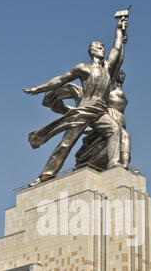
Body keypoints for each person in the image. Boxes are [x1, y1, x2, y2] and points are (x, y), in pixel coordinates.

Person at [23, 16, 128, 186]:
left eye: (102, 47)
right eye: (98, 47)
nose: (102, 49)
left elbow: (117, 48)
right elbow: (60, 80)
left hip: (100, 111)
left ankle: (114, 164)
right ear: (91, 51)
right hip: (84, 110)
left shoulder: (107, 69)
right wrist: (40, 88)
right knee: (66, 143)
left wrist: (119, 29)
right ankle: (45, 176)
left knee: (115, 130)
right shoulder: (83, 68)